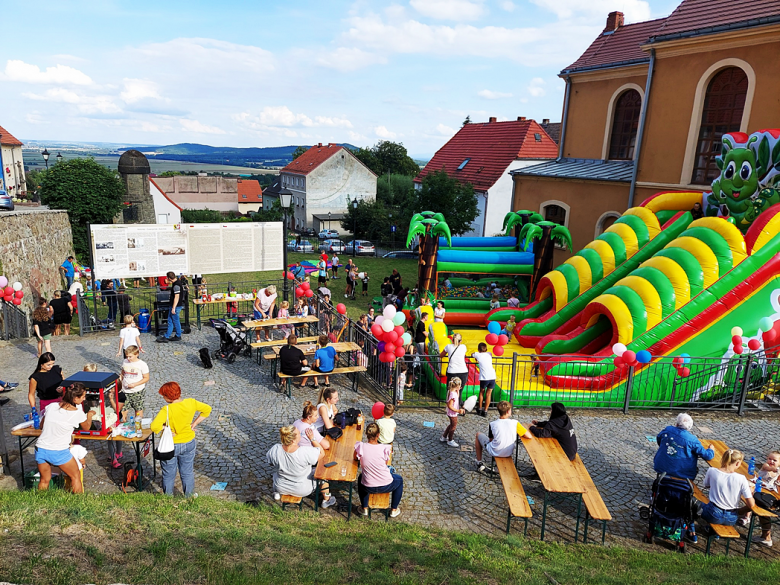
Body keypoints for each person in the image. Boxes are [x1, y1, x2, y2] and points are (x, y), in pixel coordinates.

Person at [150, 382, 211, 497]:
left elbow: (154, 426)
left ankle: (168, 497)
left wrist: (165, 428)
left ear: (168, 396)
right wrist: (194, 424)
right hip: (188, 442)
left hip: (171, 445)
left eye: (164, 396)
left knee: (168, 473)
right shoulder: (191, 403)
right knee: (187, 472)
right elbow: (207, 409)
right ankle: (189, 496)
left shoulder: (167, 410)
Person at [35, 382, 95, 493]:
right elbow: (86, 428)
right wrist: (89, 415)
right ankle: (80, 503)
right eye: (83, 396)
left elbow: (41, 426)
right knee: (75, 475)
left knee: (44, 479)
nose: (84, 398)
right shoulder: (77, 413)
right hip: (58, 451)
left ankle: (40, 503)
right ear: (76, 399)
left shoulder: (51, 406)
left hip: (41, 448)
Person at [267, 424, 336, 507]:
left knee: (275, 474)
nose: (301, 434)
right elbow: (322, 453)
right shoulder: (304, 452)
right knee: (323, 477)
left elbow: (270, 463)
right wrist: (312, 439)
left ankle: (277, 493)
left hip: (281, 487)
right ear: (293, 441)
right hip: (301, 489)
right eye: (299, 433)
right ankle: (327, 499)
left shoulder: (275, 449)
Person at [354, 422, 403, 517]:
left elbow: (355, 458)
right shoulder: (384, 448)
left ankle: (364, 508)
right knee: (399, 480)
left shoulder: (361, 447)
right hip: (386, 484)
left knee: (361, 477)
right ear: (378, 435)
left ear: (366, 434)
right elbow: (384, 464)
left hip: (368, 486)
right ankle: (393, 509)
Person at [700, 449, 755, 531]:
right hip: (731, 518)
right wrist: (750, 492)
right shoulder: (741, 478)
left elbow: (706, 485)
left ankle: (693, 530)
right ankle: (713, 531)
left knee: (697, 503)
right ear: (737, 463)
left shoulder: (712, 471)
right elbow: (751, 505)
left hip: (713, 514)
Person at [474, 401, 533, 472]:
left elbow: (490, 440)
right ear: (508, 411)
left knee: (478, 434)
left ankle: (479, 461)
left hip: (494, 451)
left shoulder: (492, 424)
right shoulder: (515, 423)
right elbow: (529, 436)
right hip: (508, 452)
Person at [653, 413, 714, 480]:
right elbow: (707, 456)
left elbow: (659, 439)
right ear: (689, 427)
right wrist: (711, 450)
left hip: (661, 466)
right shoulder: (692, 440)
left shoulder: (668, 430)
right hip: (682, 472)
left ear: (677, 423)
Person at [743, 450, 780, 546]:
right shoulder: (766, 466)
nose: (771, 461)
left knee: (760, 505)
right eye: (769, 459)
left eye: (774, 460)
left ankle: (738, 513)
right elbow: (769, 468)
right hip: (762, 491)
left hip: (767, 495)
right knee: (751, 497)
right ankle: (744, 515)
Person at [121, 345, 150, 419]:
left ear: (136, 354)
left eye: (130, 356)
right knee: (123, 411)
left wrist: (135, 384)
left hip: (137, 391)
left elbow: (146, 378)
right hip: (125, 391)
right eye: (127, 356)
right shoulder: (125, 362)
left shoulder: (142, 364)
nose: (128, 358)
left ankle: (138, 427)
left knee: (138, 411)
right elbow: (123, 372)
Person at [156, 272, 182, 343]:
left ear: (169, 278)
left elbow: (176, 297)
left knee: (175, 321)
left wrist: (173, 308)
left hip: (176, 306)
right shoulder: (177, 283)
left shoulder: (176, 285)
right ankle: (170, 335)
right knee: (171, 321)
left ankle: (176, 335)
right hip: (175, 306)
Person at [472, 343, 496, 417]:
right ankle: (485, 411)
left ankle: (479, 408)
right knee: (489, 394)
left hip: (484, 377)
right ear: (486, 349)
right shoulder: (489, 354)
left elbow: (472, 354)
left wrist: (476, 357)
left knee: (481, 392)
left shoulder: (477, 354)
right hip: (492, 376)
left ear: (479, 349)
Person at [440, 378, 464, 448]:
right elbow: (450, 405)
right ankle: (450, 440)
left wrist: (458, 391)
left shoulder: (452, 391)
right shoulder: (453, 395)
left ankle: (444, 437)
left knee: (451, 425)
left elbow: (458, 397)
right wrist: (458, 411)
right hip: (452, 413)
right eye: (460, 386)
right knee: (453, 426)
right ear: (457, 386)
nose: (460, 387)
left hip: (452, 413)